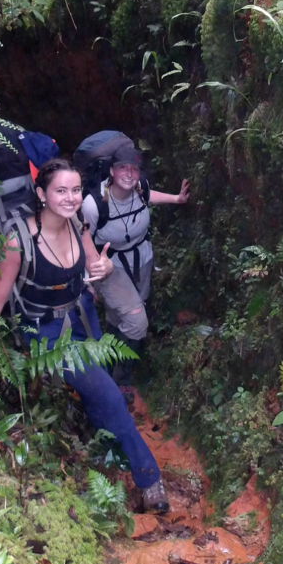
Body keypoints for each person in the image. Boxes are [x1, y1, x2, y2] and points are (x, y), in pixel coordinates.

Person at [0, 157, 169, 514]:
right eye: (60, 191)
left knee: (98, 397)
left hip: (82, 317)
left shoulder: (78, 222)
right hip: (48, 334)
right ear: (41, 193)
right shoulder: (18, 239)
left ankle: (108, 451)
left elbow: (93, 263)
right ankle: (149, 480)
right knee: (109, 395)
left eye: (75, 190)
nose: (70, 198)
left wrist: (106, 266)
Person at [80, 146, 189, 402]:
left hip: (142, 258)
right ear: (111, 170)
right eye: (122, 167)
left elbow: (150, 195)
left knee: (120, 318)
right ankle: (122, 380)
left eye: (134, 168)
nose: (129, 173)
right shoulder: (94, 204)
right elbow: (81, 235)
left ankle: (104, 365)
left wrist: (176, 199)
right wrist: (91, 272)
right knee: (138, 321)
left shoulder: (140, 187)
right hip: (110, 265)